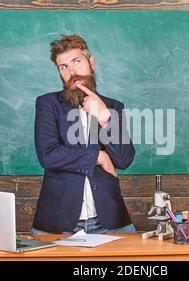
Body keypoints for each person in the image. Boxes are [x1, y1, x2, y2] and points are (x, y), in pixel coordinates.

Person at [31, 34, 136, 235]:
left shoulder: (113, 107)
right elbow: (48, 155)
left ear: (91, 62)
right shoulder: (48, 104)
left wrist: (105, 118)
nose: (72, 72)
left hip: (110, 221)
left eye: (76, 61)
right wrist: (98, 157)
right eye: (63, 67)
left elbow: (124, 159)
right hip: (57, 221)